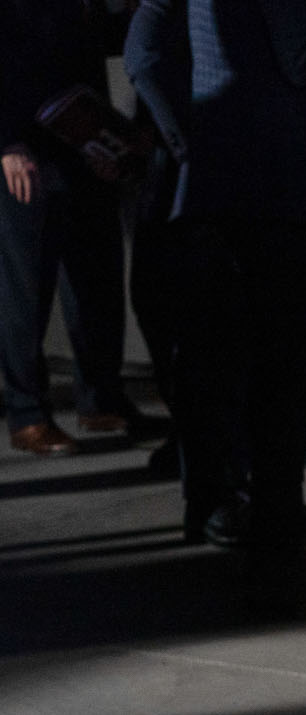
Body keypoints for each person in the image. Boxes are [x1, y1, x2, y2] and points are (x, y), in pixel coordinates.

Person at [126, 0, 306, 610]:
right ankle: (279, 549)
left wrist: (193, 144)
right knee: (287, 380)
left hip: (251, 191)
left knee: (264, 378)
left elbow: (150, 52)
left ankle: (273, 533)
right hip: (287, 194)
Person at [1, 0, 139, 457]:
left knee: (96, 276)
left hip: (80, 140)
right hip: (26, 151)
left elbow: (95, 41)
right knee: (27, 291)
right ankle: (27, 415)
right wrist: (6, 143)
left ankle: (100, 399)